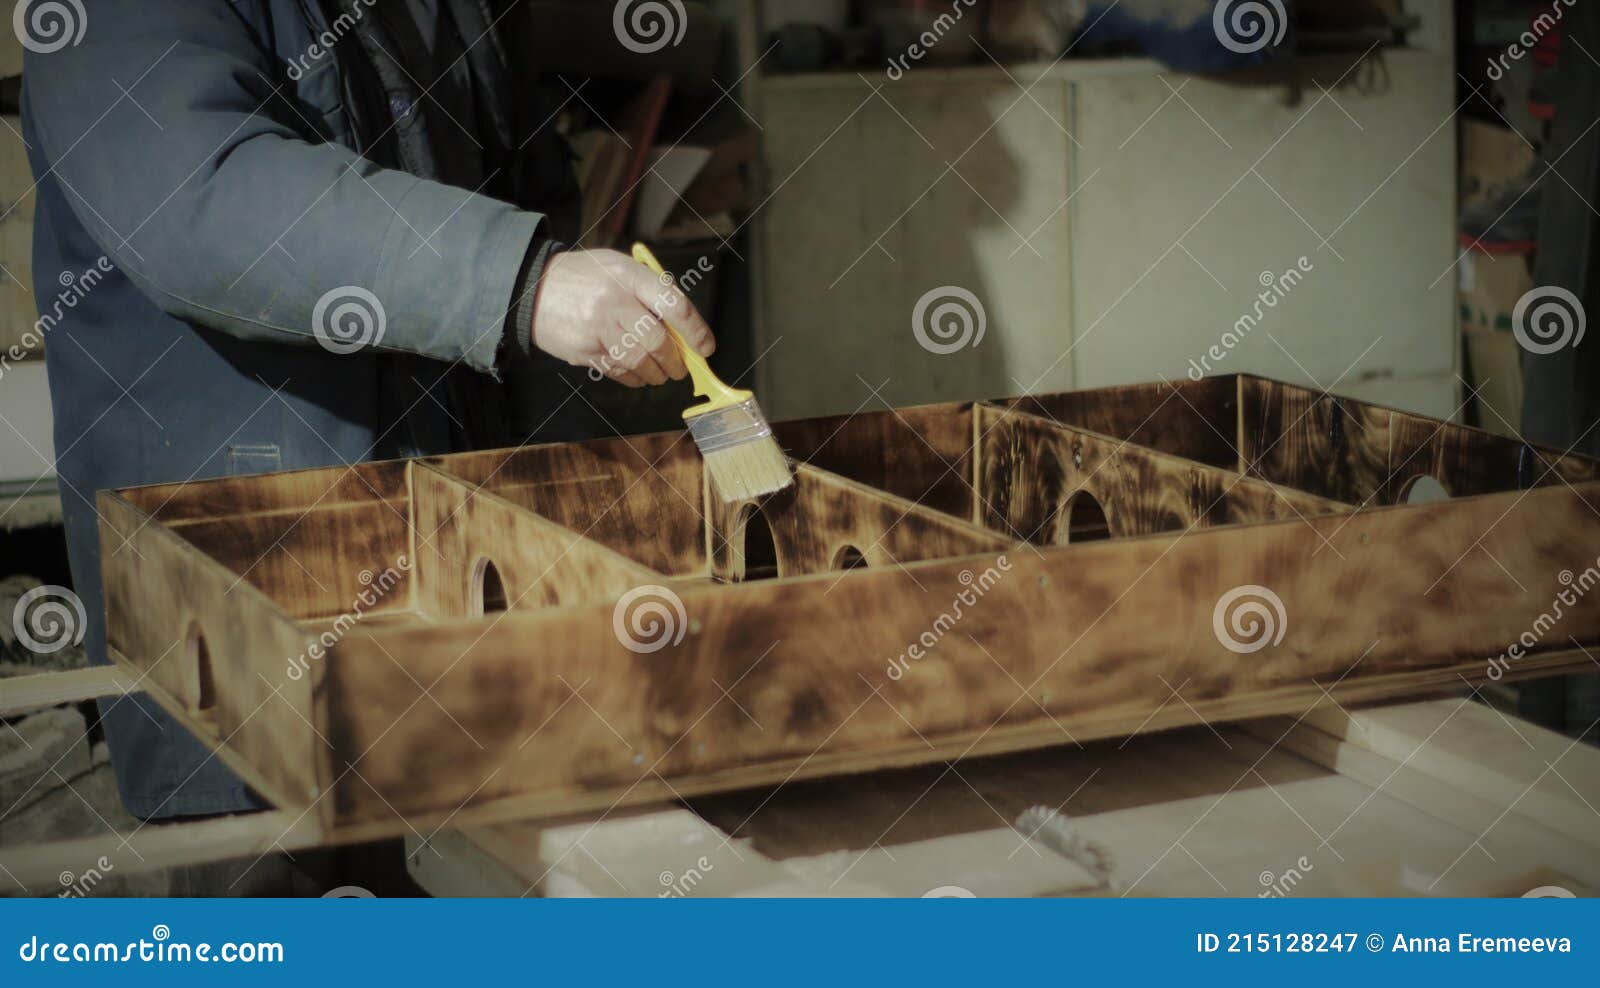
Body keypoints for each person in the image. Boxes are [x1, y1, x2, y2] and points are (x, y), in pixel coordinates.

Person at [22, 0, 715, 821]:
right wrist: (520, 282)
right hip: (257, 593)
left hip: (465, 602)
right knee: (283, 923)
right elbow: (201, 199)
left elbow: (521, 183)